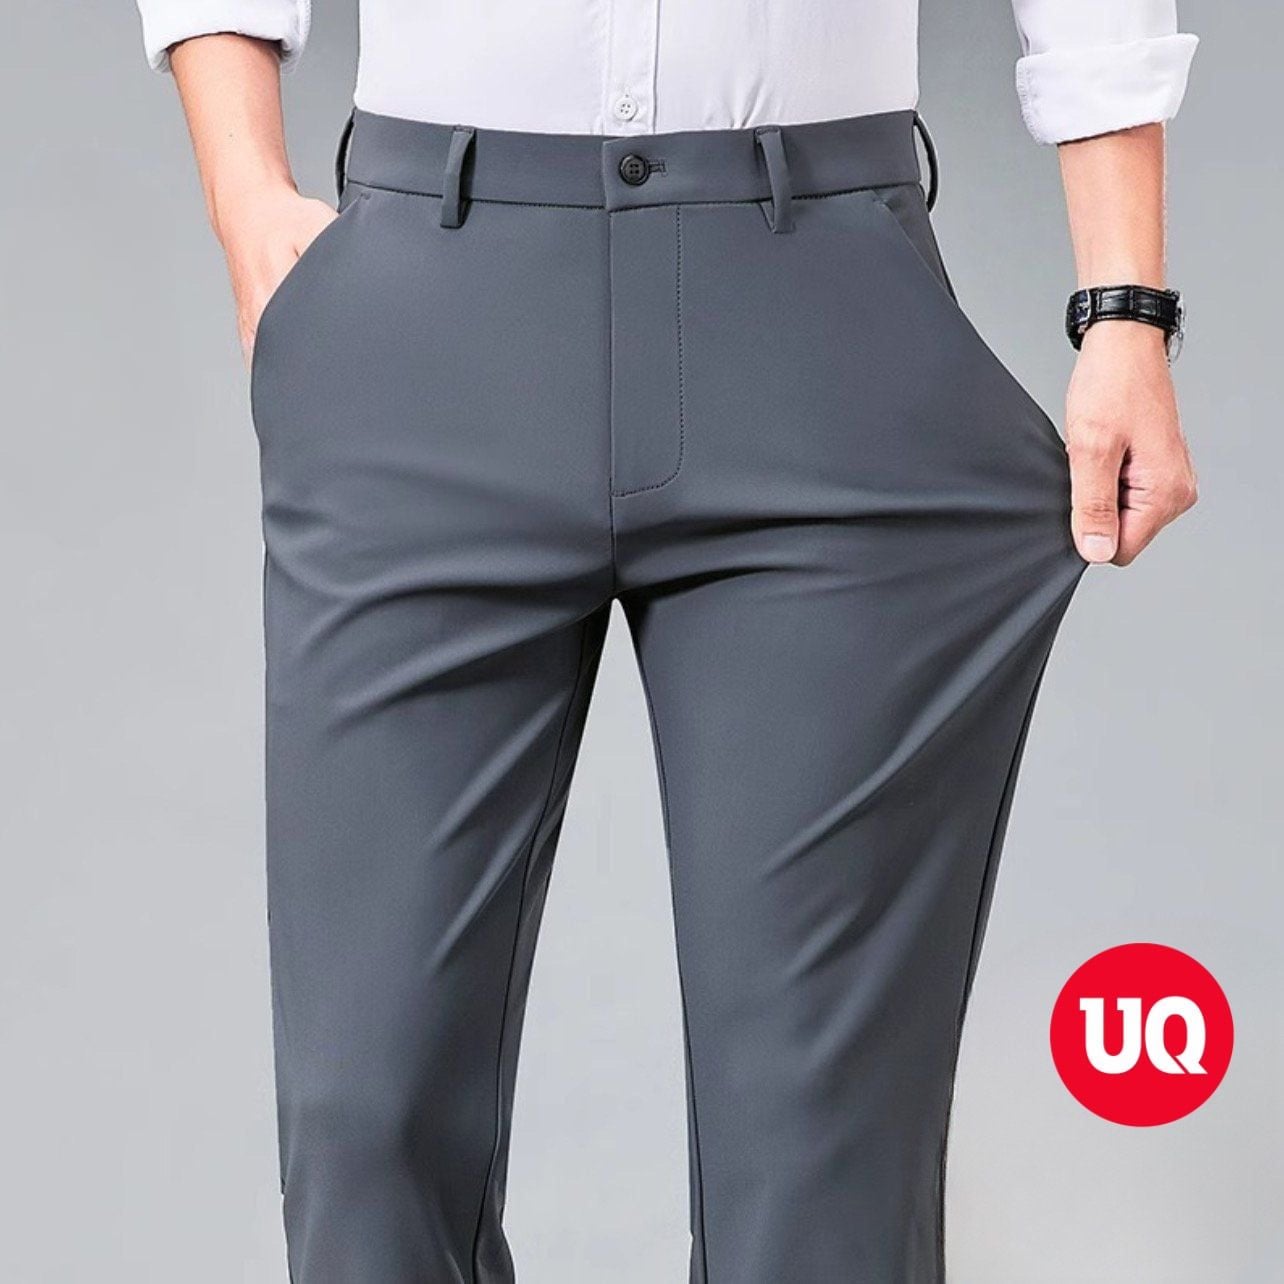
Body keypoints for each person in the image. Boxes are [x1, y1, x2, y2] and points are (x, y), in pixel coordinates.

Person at [134, 1, 1199, 1279]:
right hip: (430, 311)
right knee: (367, 1127)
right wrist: (245, 199)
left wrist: (1125, 307)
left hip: (820, 317)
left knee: (822, 1170)